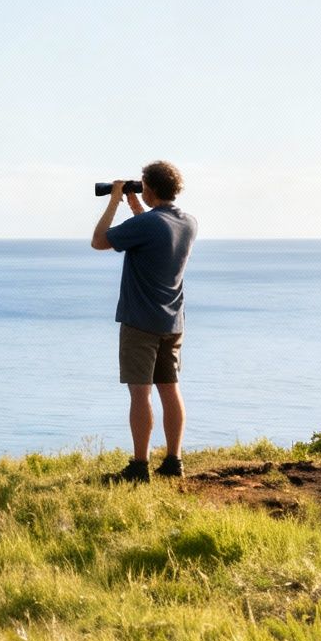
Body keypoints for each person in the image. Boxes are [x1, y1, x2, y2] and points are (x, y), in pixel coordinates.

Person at [90, 160, 197, 481]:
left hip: (140, 322)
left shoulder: (150, 224)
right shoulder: (187, 222)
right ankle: (173, 461)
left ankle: (139, 466)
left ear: (149, 187)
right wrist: (137, 204)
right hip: (173, 322)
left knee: (141, 394)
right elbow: (155, 231)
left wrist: (114, 200)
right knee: (170, 389)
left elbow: (99, 240)